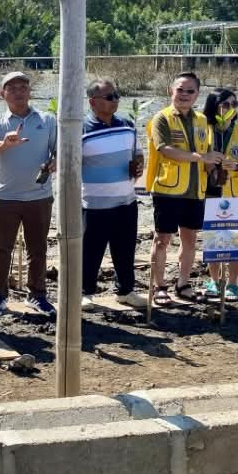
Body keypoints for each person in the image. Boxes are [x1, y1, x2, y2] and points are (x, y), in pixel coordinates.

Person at [0, 71, 58, 317]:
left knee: (38, 249)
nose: (18, 91)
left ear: (29, 91)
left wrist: (55, 162)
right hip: (6, 197)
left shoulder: (47, 120)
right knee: (1, 249)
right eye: (11, 87)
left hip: (39, 196)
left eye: (23, 86)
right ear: (3, 93)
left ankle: (37, 295)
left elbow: (58, 150)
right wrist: (5, 144)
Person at [145, 72, 221, 306]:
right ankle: (159, 287)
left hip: (195, 191)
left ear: (197, 94)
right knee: (162, 240)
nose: (184, 95)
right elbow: (165, 149)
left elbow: (207, 154)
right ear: (171, 91)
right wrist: (201, 157)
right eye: (180, 90)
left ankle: (183, 283)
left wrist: (216, 164)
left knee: (190, 239)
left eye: (190, 91)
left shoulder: (201, 121)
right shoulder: (161, 118)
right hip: (168, 190)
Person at [81, 78, 147, 310]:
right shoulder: (80, 129)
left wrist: (138, 165)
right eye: (109, 97)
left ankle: (126, 290)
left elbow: (138, 154)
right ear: (92, 102)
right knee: (90, 250)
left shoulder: (127, 124)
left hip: (126, 200)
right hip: (94, 204)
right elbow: (70, 165)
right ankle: (85, 291)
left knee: (126, 248)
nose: (115, 100)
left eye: (117, 95)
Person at [202, 87, 238, 301]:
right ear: (214, 106)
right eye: (225, 104)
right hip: (211, 191)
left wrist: (237, 167)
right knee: (213, 240)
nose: (230, 108)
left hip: (236, 192)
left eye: (234, 104)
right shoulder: (203, 128)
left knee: (234, 240)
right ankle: (214, 281)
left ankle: (232, 284)